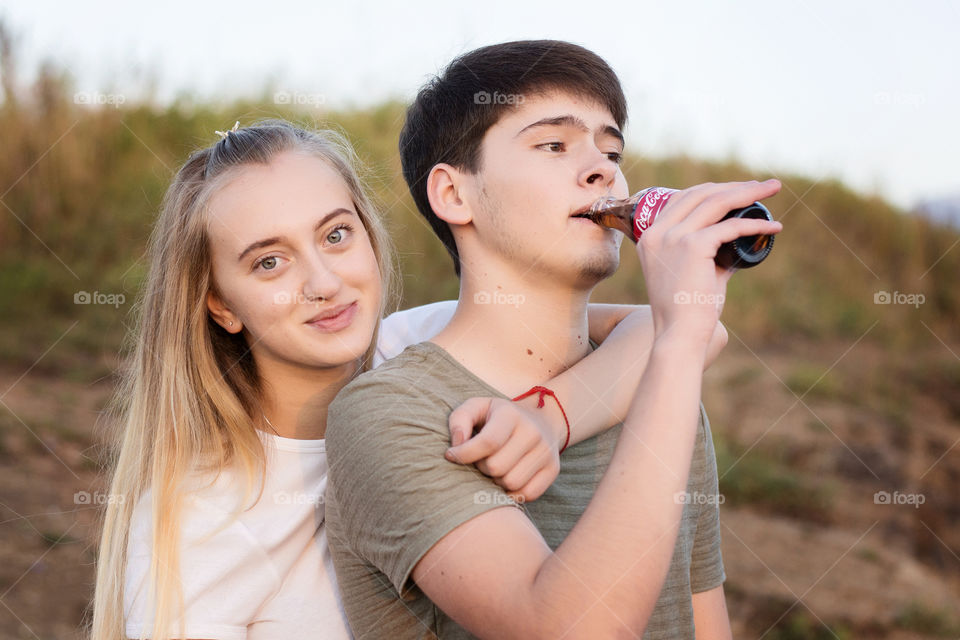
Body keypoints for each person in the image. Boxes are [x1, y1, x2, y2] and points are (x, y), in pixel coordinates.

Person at [89, 119, 724, 640]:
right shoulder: (201, 525)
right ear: (220, 304)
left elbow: (675, 331)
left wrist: (547, 416)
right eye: (270, 261)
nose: (324, 283)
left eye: (336, 235)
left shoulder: (412, 343)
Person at [324, 40, 783, 638]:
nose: (603, 168)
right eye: (554, 144)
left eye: (611, 148)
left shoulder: (657, 389)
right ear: (454, 194)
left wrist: (671, 349)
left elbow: (701, 622)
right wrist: (676, 345)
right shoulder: (393, 414)